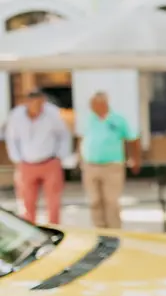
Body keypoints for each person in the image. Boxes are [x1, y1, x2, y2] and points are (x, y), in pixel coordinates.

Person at [3, 89, 72, 224]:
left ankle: (54, 228)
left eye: (41, 104)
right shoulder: (16, 115)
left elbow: (64, 135)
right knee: (26, 202)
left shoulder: (53, 113)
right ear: (27, 103)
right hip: (26, 164)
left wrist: (60, 156)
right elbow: (11, 138)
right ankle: (30, 232)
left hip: (49, 162)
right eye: (35, 104)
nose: (38, 108)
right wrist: (17, 159)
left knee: (53, 202)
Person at [80, 92, 142, 229]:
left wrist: (135, 159)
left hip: (112, 166)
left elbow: (132, 139)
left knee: (111, 201)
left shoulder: (118, 120)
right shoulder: (89, 119)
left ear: (103, 104)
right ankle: (99, 230)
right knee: (94, 200)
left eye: (95, 104)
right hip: (91, 165)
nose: (92, 108)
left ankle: (114, 231)